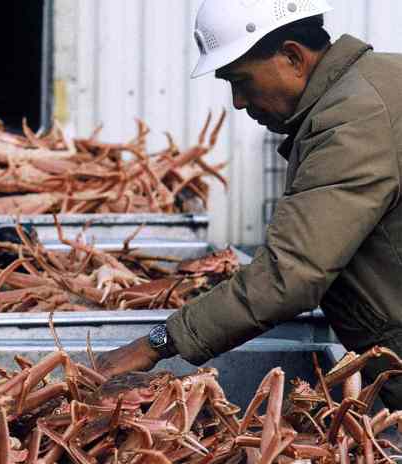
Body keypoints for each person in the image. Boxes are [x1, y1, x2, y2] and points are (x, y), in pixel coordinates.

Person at [97, 0, 402, 410]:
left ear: (293, 57)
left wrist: (157, 342)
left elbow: (289, 275)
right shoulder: (379, 82)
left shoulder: (351, 121)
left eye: (240, 81)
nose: (239, 102)